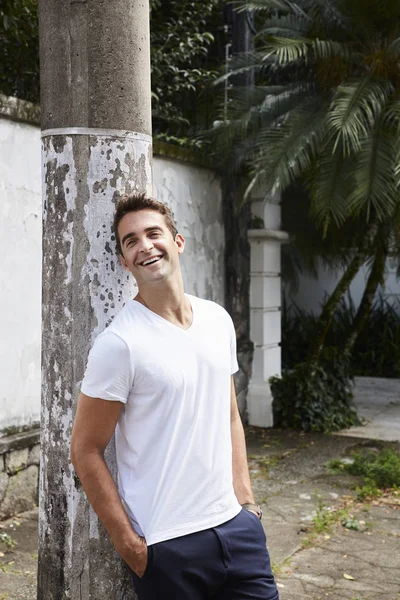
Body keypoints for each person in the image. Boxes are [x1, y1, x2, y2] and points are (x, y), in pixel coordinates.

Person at [70, 192, 279, 600]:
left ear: (177, 241)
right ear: (124, 262)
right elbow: (85, 449)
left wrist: (247, 505)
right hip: (168, 545)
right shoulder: (120, 344)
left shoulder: (217, 320)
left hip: (238, 533)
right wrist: (129, 545)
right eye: (131, 241)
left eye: (153, 233)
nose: (145, 245)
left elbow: (229, 416)